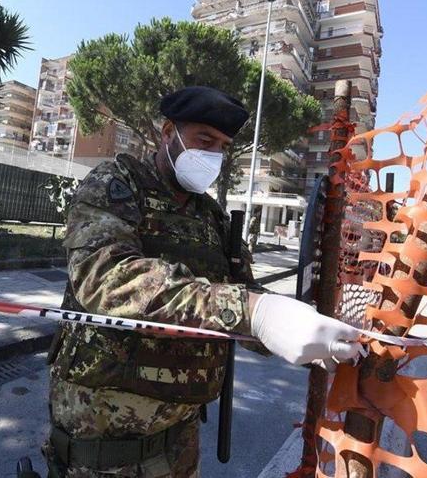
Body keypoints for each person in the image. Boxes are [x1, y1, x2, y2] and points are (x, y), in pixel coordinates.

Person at [44, 86, 363, 477]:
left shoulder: (211, 216)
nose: (213, 155)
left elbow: (244, 296)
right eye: (204, 140)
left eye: (223, 147)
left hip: (180, 437)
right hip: (104, 441)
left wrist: (302, 331)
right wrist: (253, 313)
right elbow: (105, 277)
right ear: (167, 133)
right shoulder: (116, 185)